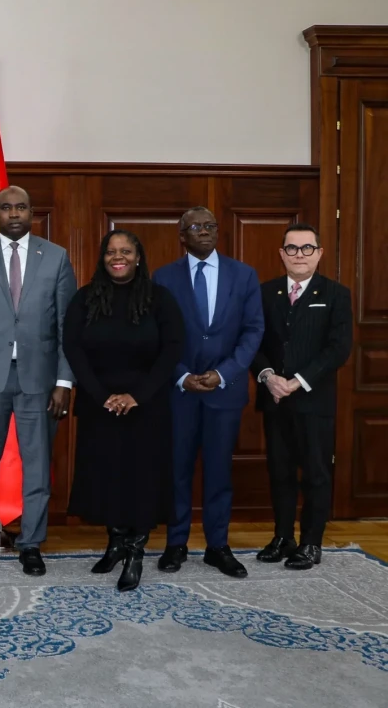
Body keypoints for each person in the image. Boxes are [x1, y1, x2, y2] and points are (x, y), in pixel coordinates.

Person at [0, 186, 75, 577]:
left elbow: (67, 327)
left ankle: (31, 544)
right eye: (6, 208)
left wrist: (64, 381)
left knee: (37, 466)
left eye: (21, 207)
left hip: (40, 379)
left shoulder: (55, 257)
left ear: (32, 212)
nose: (15, 214)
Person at [63, 230, 184, 591]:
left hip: (147, 405)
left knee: (142, 479)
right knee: (106, 477)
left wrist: (137, 396)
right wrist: (101, 395)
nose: (118, 257)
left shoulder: (159, 298)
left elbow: (172, 349)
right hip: (99, 404)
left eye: (126, 251)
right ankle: (115, 542)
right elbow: (72, 348)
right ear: (103, 259)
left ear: (138, 257)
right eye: (111, 252)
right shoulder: (85, 298)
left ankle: (135, 552)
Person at [152, 206, 264, 578]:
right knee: (177, 471)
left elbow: (253, 331)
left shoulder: (244, 275)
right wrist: (182, 376)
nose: (204, 231)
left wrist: (223, 373)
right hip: (180, 393)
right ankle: (176, 544)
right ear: (181, 236)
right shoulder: (163, 277)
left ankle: (218, 546)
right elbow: (158, 334)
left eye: (210, 225)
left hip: (224, 393)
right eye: (196, 226)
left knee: (219, 473)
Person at [251, 223, 352, 570]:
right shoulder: (266, 293)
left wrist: (296, 381)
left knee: (315, 474)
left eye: (307, 248)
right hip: (275, 398)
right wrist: (268, 377)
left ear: (319, 253)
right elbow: (252, 341)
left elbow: (338, 349)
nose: (299, 255)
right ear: (282, 254)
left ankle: (310, 542)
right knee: (279, 471)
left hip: (314, 401)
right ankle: (283, 537)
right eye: (292, 248)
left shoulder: (336, 294)